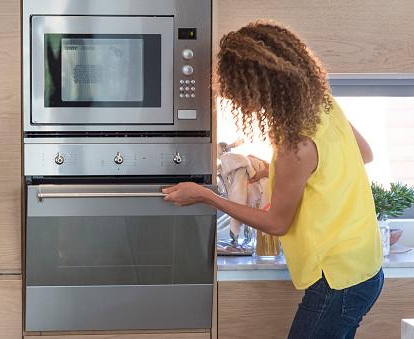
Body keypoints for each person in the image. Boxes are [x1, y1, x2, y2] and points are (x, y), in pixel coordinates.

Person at [163, 22, 384, 339]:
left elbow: (277, 223)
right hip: (366, 268)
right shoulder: (324, 106)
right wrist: (275, 173)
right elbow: (362, 154)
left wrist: (205, 196)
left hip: (337, 280)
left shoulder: (294, 145)